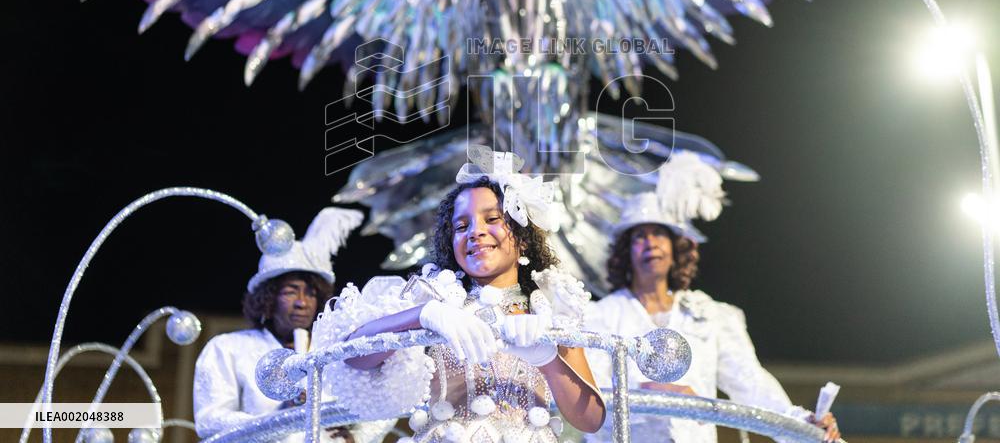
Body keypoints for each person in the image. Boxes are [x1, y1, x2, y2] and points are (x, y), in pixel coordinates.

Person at [312, 146, 607, 442]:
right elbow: (354, 357)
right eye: (462, 226)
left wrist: (548, 358)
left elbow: (591, 420)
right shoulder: (436, 298)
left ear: (523, 238)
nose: (475, 232)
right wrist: (423, 315)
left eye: (492, 219)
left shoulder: (552, 307)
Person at [584, 152, 840, 443]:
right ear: (625, 251)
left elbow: (749, 382)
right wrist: (656, 394)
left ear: (676, 248)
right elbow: (588, 399)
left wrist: (802, 424)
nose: (650, 243)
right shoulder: (601, 317)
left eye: (659, 233)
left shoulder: (710, 315)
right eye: (639, 236)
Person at [193, 206, 391, 443]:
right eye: (290, 291)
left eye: (311, 293)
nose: (302, 302)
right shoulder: (228, 348)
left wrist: (358, 437)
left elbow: (382, 403)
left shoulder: (336, 350)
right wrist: (282, 418)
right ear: (268, 297)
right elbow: (209, 421)